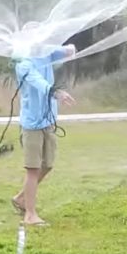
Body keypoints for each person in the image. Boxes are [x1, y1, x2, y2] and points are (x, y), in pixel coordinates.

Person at [10, 42, 76, 225]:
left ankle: (20, 198)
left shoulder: (46, 53)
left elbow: (68, 51)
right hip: (32, 124)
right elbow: (38, 82)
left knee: (48, 164)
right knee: (33, 169)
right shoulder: (23, 64)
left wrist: (69, 48)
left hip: (48, 121)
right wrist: (57, 93)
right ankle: (30, 214)